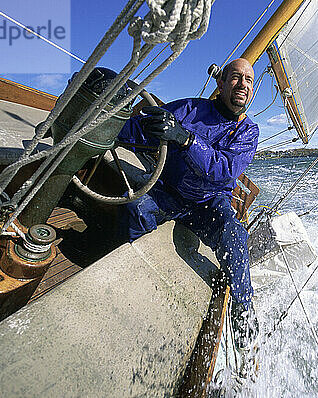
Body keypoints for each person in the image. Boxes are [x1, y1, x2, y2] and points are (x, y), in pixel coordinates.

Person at [117, 58, 259, 350]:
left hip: (208, 205)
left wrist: (184, 139)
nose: (243, 84)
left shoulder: (248, 132)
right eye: (236, 77)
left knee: (234, 234)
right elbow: (140, 131)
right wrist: (108, 126)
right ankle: (129, 272)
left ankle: (244, 309)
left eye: (249, 80)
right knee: (137, 208)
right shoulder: (188, 109)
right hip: (168, 191)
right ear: (220, 83)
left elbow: (222, 170)